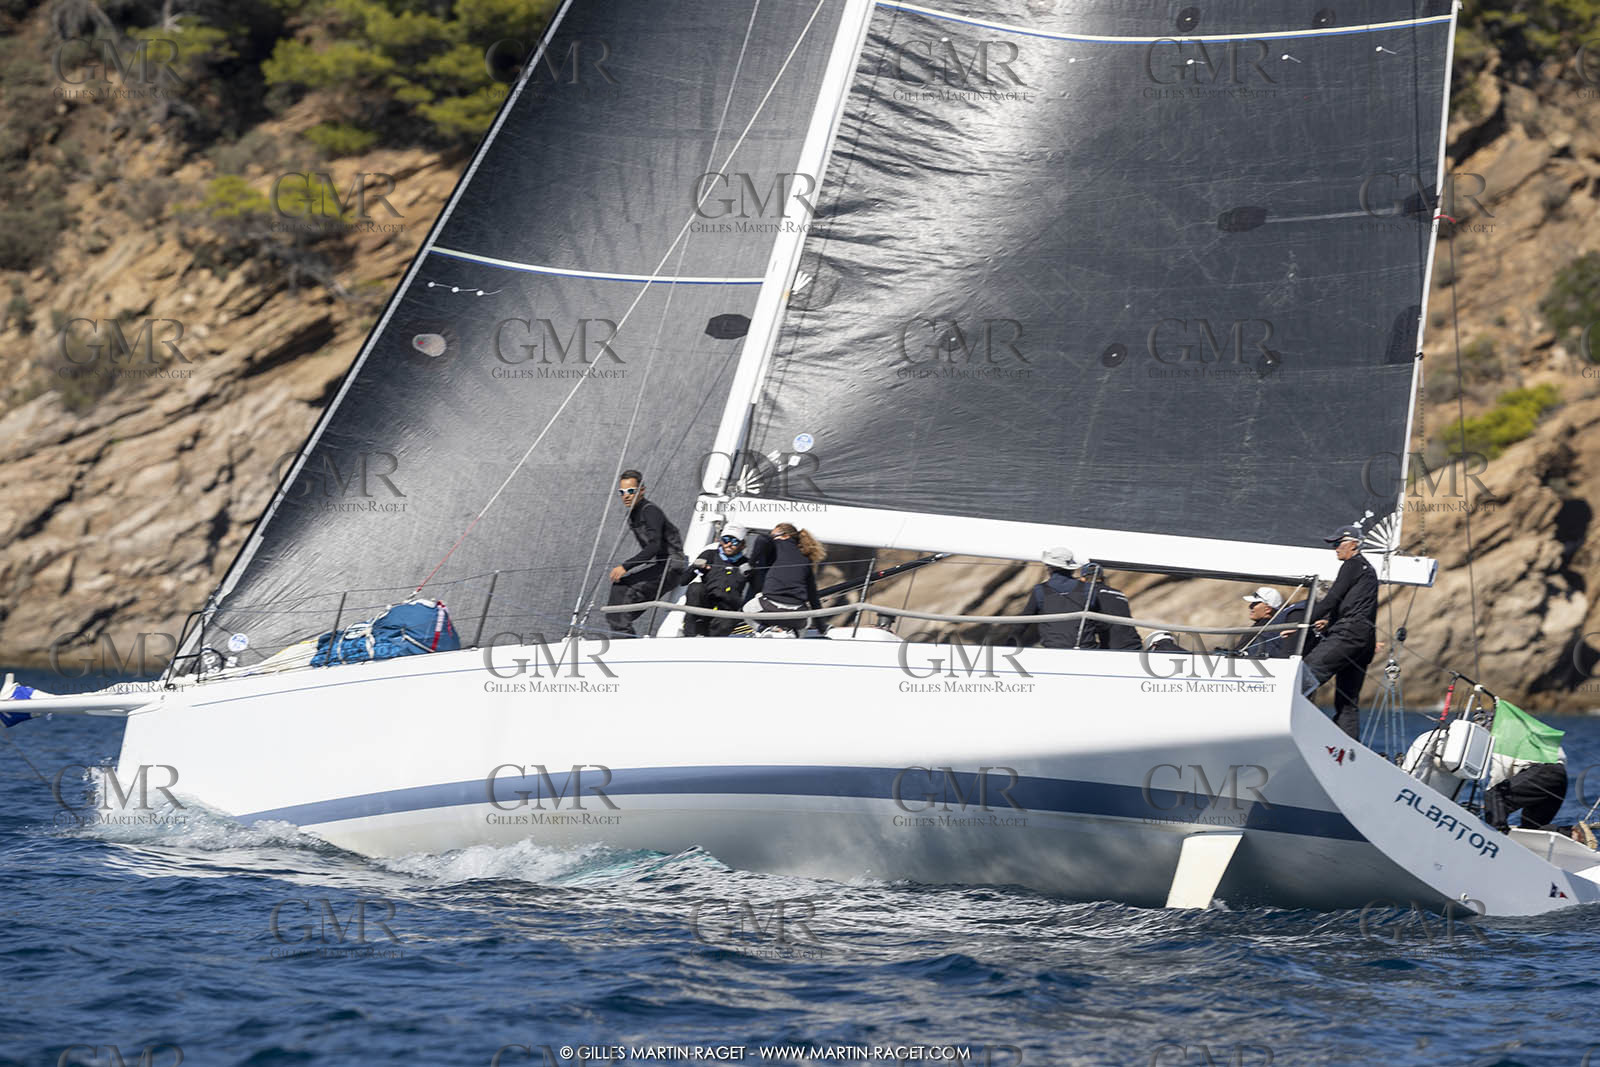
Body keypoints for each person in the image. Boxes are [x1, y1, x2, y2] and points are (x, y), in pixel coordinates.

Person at [1300, 525, 1379, 739]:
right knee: (1347, 703)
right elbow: (1357, 604)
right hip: (1364, 641)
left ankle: (1301, 734)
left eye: (1338, 543)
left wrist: (1303, 622)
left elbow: (1333, 597)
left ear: (1353, 544)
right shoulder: (1368, 570)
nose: (1335, 548)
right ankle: (1349, 750)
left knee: (1302, 678)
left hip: (1348, 635)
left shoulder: (1352, 565)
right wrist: (1330, 621)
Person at [606, 469, 682, 635]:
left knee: (624, 589)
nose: (626, 495)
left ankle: (625, 641)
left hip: (671, 566)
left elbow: (654, 546)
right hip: (661, 564)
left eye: (631, 491)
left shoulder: (649, 511)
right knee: (619, 596)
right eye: (622, 492)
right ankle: (623, 635)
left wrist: (626, 566)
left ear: (642, 490)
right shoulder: (634, 514)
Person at [1017, 548, 1139, 650]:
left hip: (1053, 648)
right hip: (1089, 648)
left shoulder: (1040, 590)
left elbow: (1024, 621)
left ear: (1049, 567)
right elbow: (1101, 624)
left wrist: (1011, 642)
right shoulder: (1094, 591)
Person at [743, 523, 827, 636]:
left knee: (747, 609)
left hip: (769, 606)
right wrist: (822, 627)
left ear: (785, 536)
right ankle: (795, 635)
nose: (771, 537)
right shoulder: (806, 560)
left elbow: (762, 539)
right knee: (806, 622)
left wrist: (750, 564)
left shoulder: (777, 544)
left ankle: (762, 629)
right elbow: (813, 597)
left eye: (773, 534)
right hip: (796, 613)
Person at [684, 526, 753, 636]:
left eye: (734, 541)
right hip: (705, 607)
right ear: (721, 541)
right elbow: (683, 581)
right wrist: (696, 567)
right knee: (695, 588)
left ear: (742, 544)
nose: (729, 544)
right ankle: (690, 635)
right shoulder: (710, 555)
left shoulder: (746, 563)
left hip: (726, 612)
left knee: (727, 621)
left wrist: (751, 573)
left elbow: (757, 588)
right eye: (726, 540)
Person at [1485, 746, 1569, 833]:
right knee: (1531, 829)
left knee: (1494, 796)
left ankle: (1498, 838)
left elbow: (1501, 768)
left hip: (1542, 772)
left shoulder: (1504, 734)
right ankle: (1572, 833)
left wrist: (1491, 801)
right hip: (1559, 776)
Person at [1233, 587, 1311, 659]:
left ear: (1268, 609)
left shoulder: (1262, 628)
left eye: (1255, 603)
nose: (1250, 606)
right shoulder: (1265, 626)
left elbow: (1237, 653)